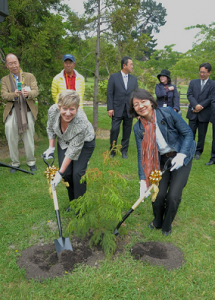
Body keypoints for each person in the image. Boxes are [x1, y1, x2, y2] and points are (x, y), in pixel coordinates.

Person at [129, 88, 196, 236]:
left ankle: (167, 225)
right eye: (136, 104)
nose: (140, 106)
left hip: (181, 156)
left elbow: (188, 133)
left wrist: (182, 155)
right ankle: (157, 220)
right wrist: (142, 180)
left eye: (143, 101)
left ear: (151, 102)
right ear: (133, 108)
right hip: (160, 161)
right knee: (157, 194)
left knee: (173, 196)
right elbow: (143, 155)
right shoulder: (138, 128)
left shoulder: (168, 112)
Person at [43, 90, 95, 211]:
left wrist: (59, 173)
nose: (67, 113)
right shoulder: (52, 111)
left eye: (72, 109)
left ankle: (81, 207)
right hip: (64, 141)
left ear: (77, 108)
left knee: (77, 173)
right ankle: (73, 203)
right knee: (67, 174)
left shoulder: (81, 121)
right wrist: (51, 147)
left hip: (84, 143)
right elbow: (50, 128)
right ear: (59, 106)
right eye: (64, 108)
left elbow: (73, 150)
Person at [1, 53, 39, 173]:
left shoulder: (29, 76)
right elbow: (4, 95)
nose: (13, 65)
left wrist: (28, 94)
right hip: (12, 112)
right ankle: (15, 164)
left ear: (18, 62)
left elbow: (36, 91)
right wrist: (14, 95)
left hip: (27, 110)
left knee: (28, 138)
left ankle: (31, 162)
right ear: (7, 65)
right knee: (11, 138)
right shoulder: (4, 80)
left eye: (15, 62)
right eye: (10, 63)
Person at [107, 56, 138, 159]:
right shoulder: (114, 77)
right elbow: (110, 93)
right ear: (124, 65)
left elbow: (136, 95)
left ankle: (124, 151)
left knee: (127, 131)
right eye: (131, 64)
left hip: (129, 110)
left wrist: (136, 110)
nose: (132, 66)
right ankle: (113, 150)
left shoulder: (133, 79)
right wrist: (110, 108)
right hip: (117, 109)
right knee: (114, 129)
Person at [186, 63, 215, 161]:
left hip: (204, 113)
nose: (201, 74)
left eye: (204, 72)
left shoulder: (213, 84)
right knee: (190, 133)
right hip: (193, 112)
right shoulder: (193, 82)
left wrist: (201, 106)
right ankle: (189, 150)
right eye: (200, 72)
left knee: (202, 135)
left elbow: (211, 97)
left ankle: (198, 151)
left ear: (209, 72)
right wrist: (196, 105)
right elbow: (189, 95)